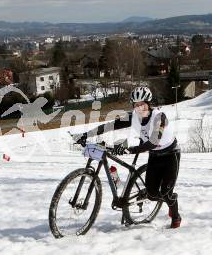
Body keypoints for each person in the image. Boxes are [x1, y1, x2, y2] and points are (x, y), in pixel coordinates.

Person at [72, 86, 182, 228]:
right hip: (155, 156)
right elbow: (110, 126)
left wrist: (129, 150)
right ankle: (162, 196)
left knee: (166, 194)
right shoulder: (134, 117)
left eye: (142, 104)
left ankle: (175, 213)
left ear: (148, 103)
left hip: (170, 155)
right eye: (136, 105)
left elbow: (154, 141)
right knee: (152, 195)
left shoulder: (159, 117)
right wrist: (86, 134)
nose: (139, 107)